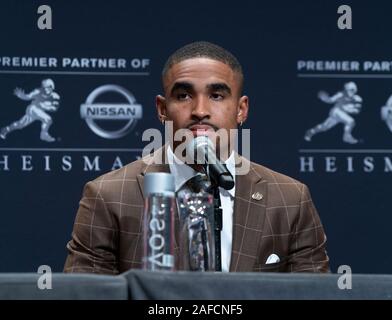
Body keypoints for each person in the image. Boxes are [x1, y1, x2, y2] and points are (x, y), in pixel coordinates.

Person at [64, 41, 329, 274]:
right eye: (183, 95)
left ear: (241, 109)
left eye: (216, 95)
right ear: (162, 109)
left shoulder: (290, 200)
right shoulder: (109, 196)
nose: (200, 110)